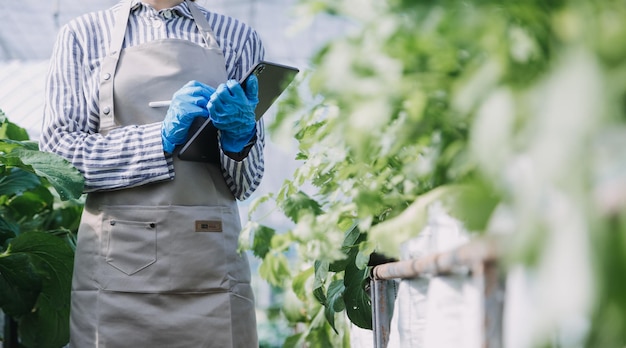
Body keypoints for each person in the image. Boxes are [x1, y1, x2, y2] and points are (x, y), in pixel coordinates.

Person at [39, 0, 265, 346]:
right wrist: (156, 140)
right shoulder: (83, 37)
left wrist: (240, 141)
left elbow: (247, 182)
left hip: (212, 275)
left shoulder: (238, 39)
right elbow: (60, 162)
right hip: (115, 281)